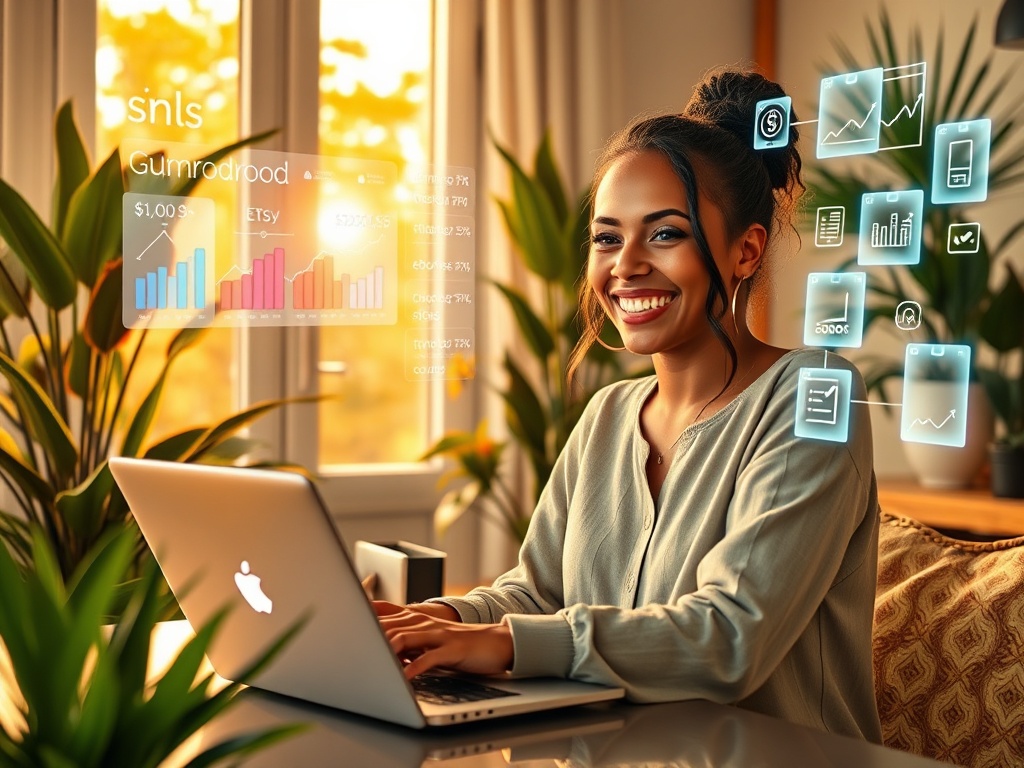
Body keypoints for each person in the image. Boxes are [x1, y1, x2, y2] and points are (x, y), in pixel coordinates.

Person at [375, 68, 882, 742]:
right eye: (608, 238)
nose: (626, 265)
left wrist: (510, 643)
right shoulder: (609, 416)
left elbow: (731, 637)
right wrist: (437, 620)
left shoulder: (815, 397)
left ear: (744, 250)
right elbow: (535, 597)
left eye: (665, 234)